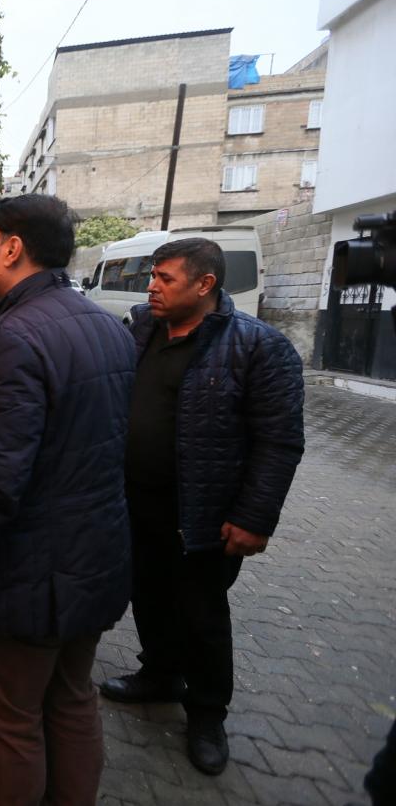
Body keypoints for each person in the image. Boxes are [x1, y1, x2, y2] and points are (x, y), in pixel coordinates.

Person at [0, 194, 138, 804]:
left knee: (13, 724)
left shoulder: (13, 337)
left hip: (26, 580)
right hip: (89, 566)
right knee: (71, 700)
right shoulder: (103, 325)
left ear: (14, 249)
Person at [99, 237, 305, 776]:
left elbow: (279, 442)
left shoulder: (259, 347)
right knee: (147, 594)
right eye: (153, 276)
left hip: (204, 516)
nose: (151, 287)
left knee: (201, 613)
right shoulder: (142, 330)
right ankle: (160, 675)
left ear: (205, 284)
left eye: (164, 279)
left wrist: (255, 516)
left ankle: (207, 713)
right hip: (135, 503)